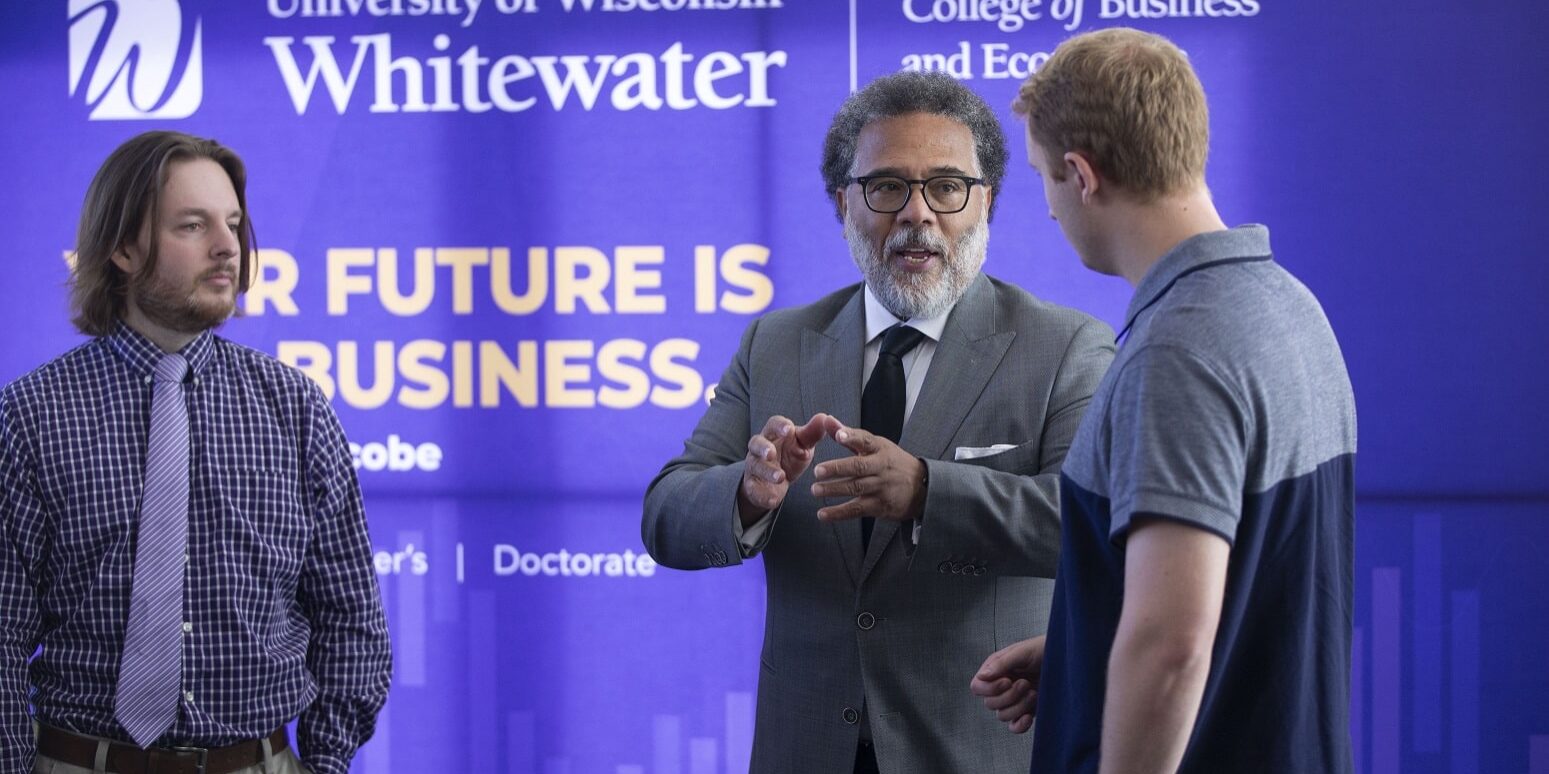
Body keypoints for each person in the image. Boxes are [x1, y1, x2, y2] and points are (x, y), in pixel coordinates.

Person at [642, 71, 1114, 774]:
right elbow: (665, 517)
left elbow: (1088, 526)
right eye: (886, 187)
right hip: (805, 750)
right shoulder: (775, 343)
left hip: (975, 748)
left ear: (985, 201)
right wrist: (747, 494)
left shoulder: (1068, 347)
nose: (916, 214)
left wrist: (929, 490)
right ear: (844, 203)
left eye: (947, 187)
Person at [971, 28, 1357, 773]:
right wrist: (1087, 641)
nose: (1049, 211)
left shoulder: (1178, 351)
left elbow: (1172, 646)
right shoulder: (1288, 306)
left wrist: (1135, 649)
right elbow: (1250, 580)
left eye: (1046, 179)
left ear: (1081, 175)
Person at [0, 131, 392, 774]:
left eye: (234, 224)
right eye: (193, 225)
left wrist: (322, 763)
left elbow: (351, 621)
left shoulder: (296, 410)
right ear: (123, 248)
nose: (227, 248)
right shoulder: (32, 415)